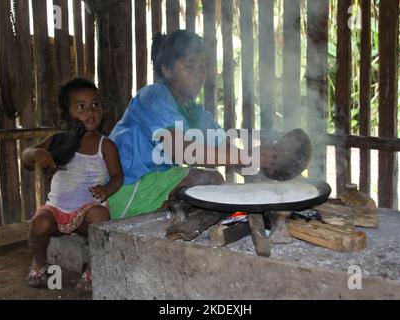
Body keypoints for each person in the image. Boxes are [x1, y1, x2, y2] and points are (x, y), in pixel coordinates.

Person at [109, 30, 276, 219]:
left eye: (203, 67)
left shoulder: (197, 113)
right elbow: (181, 150)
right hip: (124, 189)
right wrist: (246, 156)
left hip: (152, 187)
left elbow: (226, 149)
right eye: (190, 66)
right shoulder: (154, 97)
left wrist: (263, 166)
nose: (199, 74)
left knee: (210, 182)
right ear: (166, 69)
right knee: (206, 180)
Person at [22, 78, 124, 291]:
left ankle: (94, 268)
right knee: (38, 225)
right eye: (81, 106)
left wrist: (106, 190)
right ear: (67, 112)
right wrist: (38, 153)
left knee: (100, 215)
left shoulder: (105, 145)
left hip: (86, 213)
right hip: (57, 211)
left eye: (95, 104)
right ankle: (40, 263)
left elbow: (118, 177)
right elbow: (26, 158)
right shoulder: (58, 139)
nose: (91, 111)